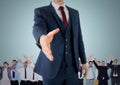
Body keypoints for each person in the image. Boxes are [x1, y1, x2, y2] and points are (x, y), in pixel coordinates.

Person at [32, 0, 87, 85]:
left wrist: (84, 62)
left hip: (72, 69)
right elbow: (38, 27)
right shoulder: (41, 11)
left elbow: (79, 38)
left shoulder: (75, 13)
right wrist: (41, 38)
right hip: (51, 68)